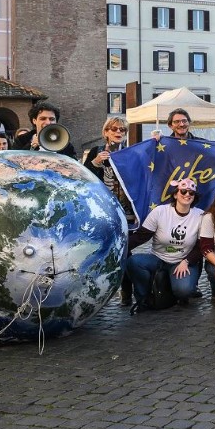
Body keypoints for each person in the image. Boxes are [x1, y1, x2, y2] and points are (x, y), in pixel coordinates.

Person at [126, 178, 204, 314]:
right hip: (158, 259)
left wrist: (187, 261)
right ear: (175, 194)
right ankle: (143, 298)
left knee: (184, 290)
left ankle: (174, 289)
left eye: (191, 193)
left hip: (182, 262)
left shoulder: (200, 215)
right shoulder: (160, 212)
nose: (187, 195)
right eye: (183, 191)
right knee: (134, 262)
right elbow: (141, 236)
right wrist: (120, 247)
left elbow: (201, 246)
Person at [82, 117, 136, 305]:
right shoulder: (96, 152)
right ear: (106, 132)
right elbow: (84, 177)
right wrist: (96, 162)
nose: (118, 132)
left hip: (127, 211)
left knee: (126, 251)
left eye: (123, 129)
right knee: (101, 250)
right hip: (104, 210)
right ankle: (97, 293)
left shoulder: (130, 152)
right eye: (114, 128)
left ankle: (127, 292)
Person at [11, 101, 77, 158]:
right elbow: (14, 161)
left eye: (52, 119)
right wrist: (31, 146)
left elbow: (73, 164)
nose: (48, 122)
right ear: (34, 120)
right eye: (43, 119)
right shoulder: (21, 140)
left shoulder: (64, 143)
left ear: (56, 121)